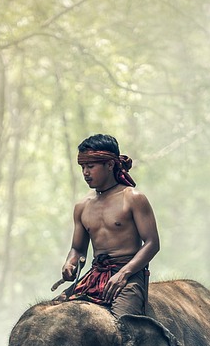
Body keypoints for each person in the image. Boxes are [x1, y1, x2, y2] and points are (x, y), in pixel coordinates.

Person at [51, 133, 160, 318]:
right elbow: (77, 249)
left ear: (110, 165)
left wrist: (124, 273)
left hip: (129, 275)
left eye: (91, 166)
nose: (85, 172)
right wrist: (70, 262)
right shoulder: (82, 207)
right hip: (95, 275)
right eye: (83, 167)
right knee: (53, 315)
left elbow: (152, 243)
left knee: (121, 327)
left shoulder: (133, 198)